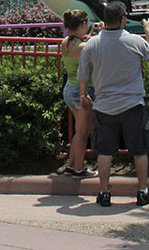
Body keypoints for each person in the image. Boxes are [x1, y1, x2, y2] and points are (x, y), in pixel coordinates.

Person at [77, 0, 149, 207]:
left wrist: (84, 95)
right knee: (139, 150)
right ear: (123, 19)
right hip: (133, 104)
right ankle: (142, 192)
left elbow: (83, 74)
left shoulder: (92, 44)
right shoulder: (133, 40)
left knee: (104, 152)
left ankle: (104, 193)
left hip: (104, 105)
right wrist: (148, 31)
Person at [59, 10, 97, 178]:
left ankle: (70, 165)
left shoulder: (65, 42)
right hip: (82, 91)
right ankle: (79, 169)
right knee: (83, 132)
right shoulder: (82, 47)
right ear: (83, 24)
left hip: (69, 89)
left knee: (78, 130)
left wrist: (91, 37)